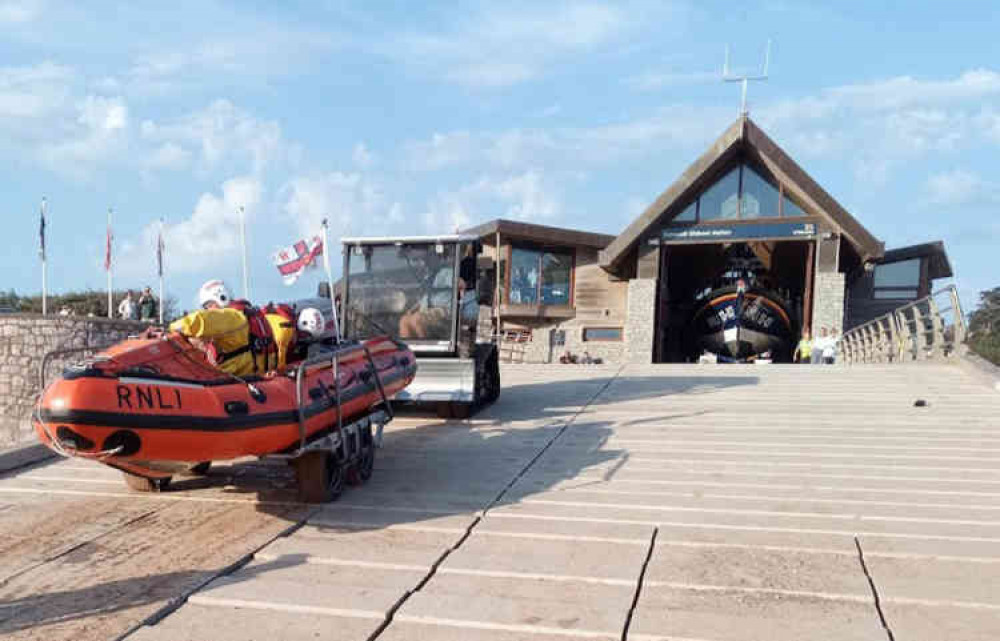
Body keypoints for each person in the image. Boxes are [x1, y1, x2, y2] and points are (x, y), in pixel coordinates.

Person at [169, 280, 255, 376]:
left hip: (235, 379)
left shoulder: (231, 317)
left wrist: (170, 329)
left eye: (209, 305)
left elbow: (199, 321)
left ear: (222, 299)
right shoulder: (237, 319)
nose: (208, 310)